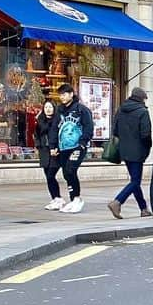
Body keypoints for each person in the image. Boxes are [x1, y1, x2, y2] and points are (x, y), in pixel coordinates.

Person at [108, 87, 153, 219]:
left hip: (124, 150)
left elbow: (115, 131)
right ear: (141, 99)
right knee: (135, 181)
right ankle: (117, 201)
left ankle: (143, 208)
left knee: (135, 180)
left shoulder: (121, 109)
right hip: (138, 151)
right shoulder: (143, 112)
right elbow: (146, 135)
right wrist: (147, 148)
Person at [53, 83, 94, 213]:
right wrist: (53, 146)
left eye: (64, 94)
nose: (62, 97)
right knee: (66, 173)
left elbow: (89, 127)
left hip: (77, 146)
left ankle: (77, 198)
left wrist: (83, 143)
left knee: (71, 169)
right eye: (60, 95)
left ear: (71, 94)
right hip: (63, 147)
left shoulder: (81, 109)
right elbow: (54, 129)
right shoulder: (59, 111)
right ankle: (72, 199)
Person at [34, 99, 63, 210]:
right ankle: (55, 198)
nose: (48, 109)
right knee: (48, 177)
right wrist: (38, 146)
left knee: (51, 175)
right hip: (44, 151)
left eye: (50, 107)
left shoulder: (58, 120)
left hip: (55, 151)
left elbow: (60, 136)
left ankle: (58, 198)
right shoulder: (40, 120)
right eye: (46, 107)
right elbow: (36, 135)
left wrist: (56, 148)